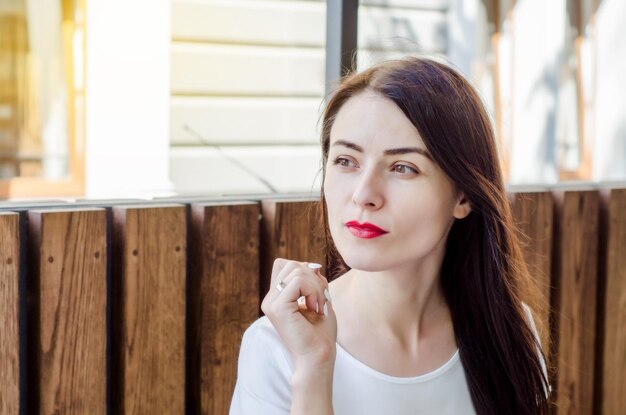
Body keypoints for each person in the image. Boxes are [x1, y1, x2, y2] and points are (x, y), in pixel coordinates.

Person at [229, 56, 551, 414]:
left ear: (463, 196)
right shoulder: (277, 345)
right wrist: (314, 370)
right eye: (346, 161)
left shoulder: (508, 330)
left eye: (403, 167)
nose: (364, 193)